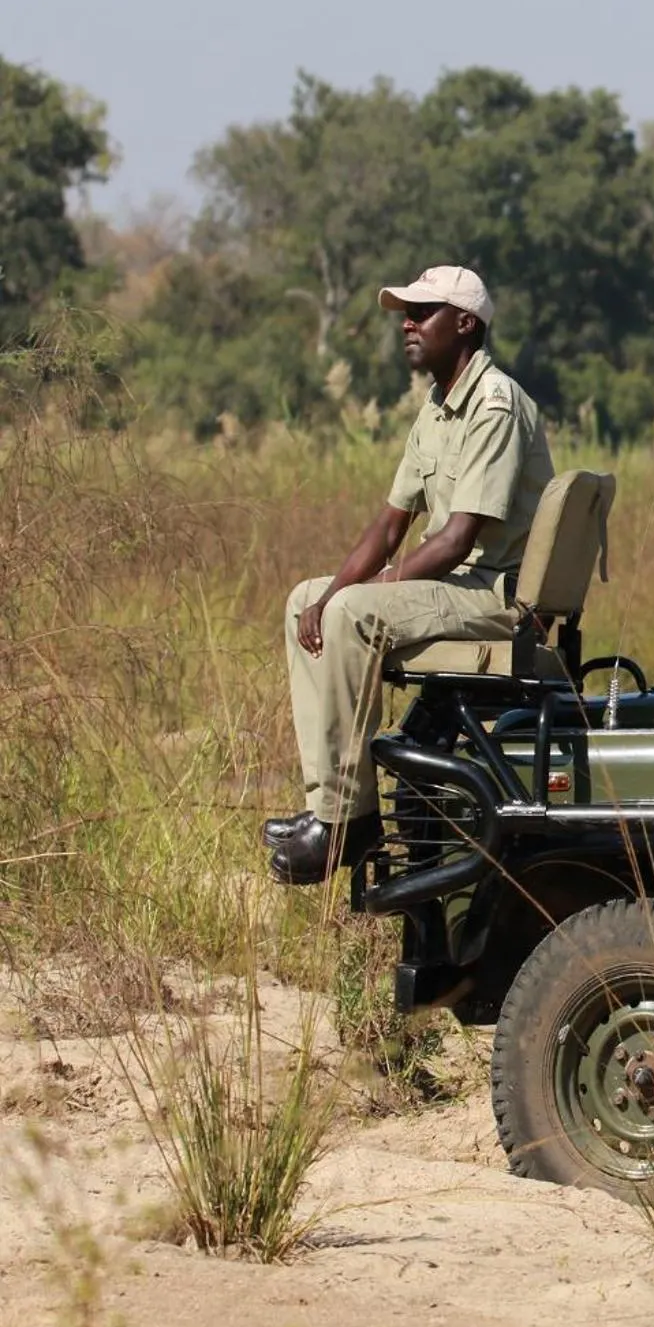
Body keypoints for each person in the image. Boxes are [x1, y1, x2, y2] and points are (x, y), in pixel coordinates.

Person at [263, 265, 554, 884]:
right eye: (405, 312)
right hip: (452, 586)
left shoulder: (494, 405)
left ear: (466, 323)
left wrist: (358, 597)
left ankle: (349, 820)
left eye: (423, 312)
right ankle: (331, 805)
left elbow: (455, 541)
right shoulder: (438, 407)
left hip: (493, 596)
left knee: (348, 611)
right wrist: (336, 591)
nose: (408, 324)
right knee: (305, 601)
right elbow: (390, 527)